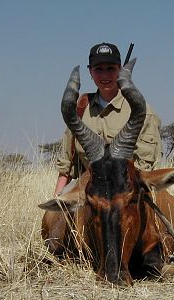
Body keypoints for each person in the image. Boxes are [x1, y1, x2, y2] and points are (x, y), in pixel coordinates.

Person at [54, 42, 162, 195]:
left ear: (120, 69)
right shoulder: (80, 109)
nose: (105, 75)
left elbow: (144, 167)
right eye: (98, 69)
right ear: (90, 72)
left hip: (128, 190)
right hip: (89, 187)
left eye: (111, 68)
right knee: (55, 215)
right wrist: (57, 201)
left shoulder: (141, 112)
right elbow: (66, 165)